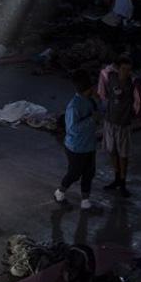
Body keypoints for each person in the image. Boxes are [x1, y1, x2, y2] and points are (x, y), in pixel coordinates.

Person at [54, 70, 98, 210]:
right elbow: (72, 129)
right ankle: (59, 192)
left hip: (89, 145)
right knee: (74, 173)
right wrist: (91, 120)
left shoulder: (90, 101)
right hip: (76, 147)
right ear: (88, 88)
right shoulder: (74, 106)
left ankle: (85, 201)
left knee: (89, 173)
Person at [100, 55, 141, 197]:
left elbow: (138, 103)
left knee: (123, 154)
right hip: (110, 121)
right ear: (118, 69)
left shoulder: (133, 83)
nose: (126, 72)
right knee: (112, 151)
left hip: (123, 123)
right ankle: (117, 178)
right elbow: (104, 92)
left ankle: (123, 182)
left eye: (129, 70)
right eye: (123, 69)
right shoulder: (111, 77)